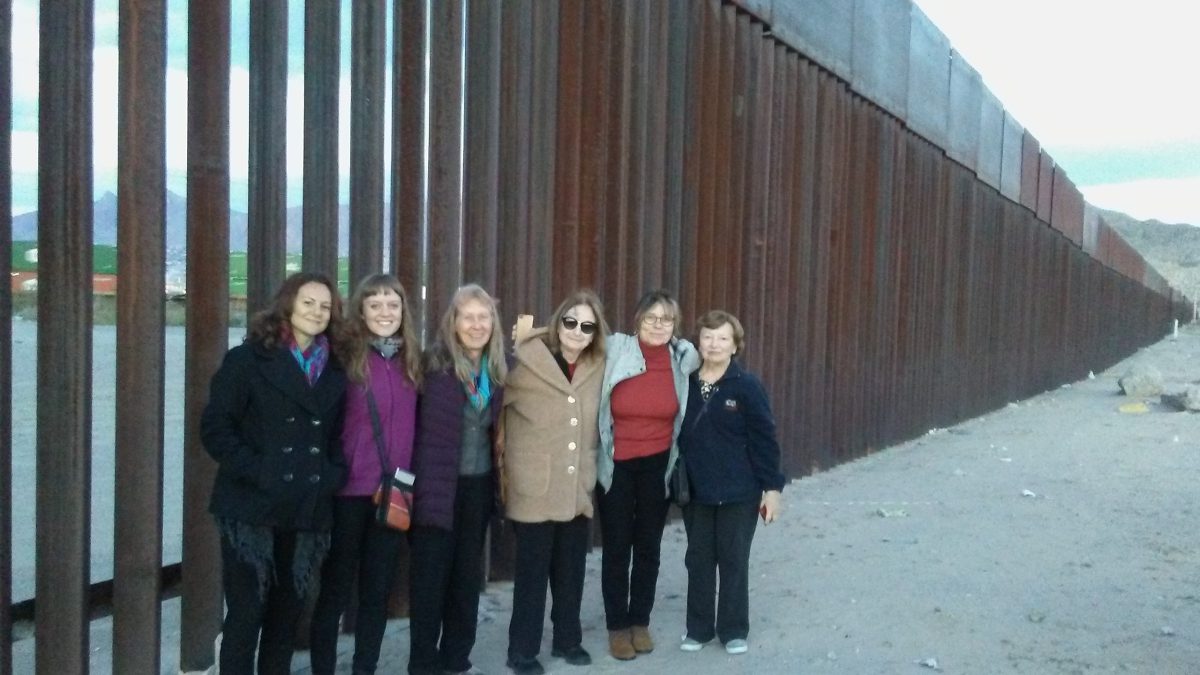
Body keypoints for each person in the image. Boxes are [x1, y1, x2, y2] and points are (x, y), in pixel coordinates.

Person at [201, 271, 348, 675]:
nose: (317, 312)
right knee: (247, 612)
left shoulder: (335, 369)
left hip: (305, 506)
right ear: (287, 305)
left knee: (287, 615)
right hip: (251, 506)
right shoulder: (247, 359)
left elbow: (337, 436)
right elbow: (215, 428)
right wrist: (260, 470)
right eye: (308, 303)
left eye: (325, 306)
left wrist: (332, 474)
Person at [310, 274, 422, 675]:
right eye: (375, 305)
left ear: (403, 311)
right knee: (336, 589)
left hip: (395, 491)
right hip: (348, 492)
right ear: (361, 310)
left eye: (392, 304)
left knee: (377, 591)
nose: (384, 312)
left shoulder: (413, 362)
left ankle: (365, 668)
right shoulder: (341, 359)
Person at [502, 290, 610, 675]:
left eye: (587, 326)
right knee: (531, 576)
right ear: (558, 321)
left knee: (570, 572)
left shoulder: (599, 364)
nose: (577, 331)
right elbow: (492, 406)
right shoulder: (524, 359)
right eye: (571, 322)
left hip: (576, 484)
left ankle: (568, 640)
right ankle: (522, 651)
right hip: (534, 484)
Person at [408, 284, 508, 675]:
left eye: (484, 317)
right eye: (468, 317)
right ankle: (422, 663)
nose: (476, 325)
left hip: (478, 488)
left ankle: (456, 658)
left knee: (467, 579)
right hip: (435, 487)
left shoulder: (499, 370)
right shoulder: (431, 367)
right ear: (453, 322)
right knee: (430, 581)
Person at [596, 289, 699, 660]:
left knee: (648, 546)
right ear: (638, 319)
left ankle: (640, 620)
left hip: (659, 465)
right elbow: (572, 337)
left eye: (666, 319)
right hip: (617, 464)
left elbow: (716, 352)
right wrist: (529, 334)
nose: (658, 325)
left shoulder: (682, 357)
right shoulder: (616, 348)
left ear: (675, 325)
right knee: (617, 547)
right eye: (651, 317)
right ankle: (617, 627)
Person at [676, 310, 785, 656]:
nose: (714, 344)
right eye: (708, 337)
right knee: (698, 560)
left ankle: (734, 630)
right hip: (696, 490)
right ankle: (698, 629)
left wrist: (772, 489)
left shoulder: (747, 386)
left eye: (723, 338)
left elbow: (765, 439)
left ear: (735, 345)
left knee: (734, 560)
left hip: (740, 492)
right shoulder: (685, 383)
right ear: (698, 342)